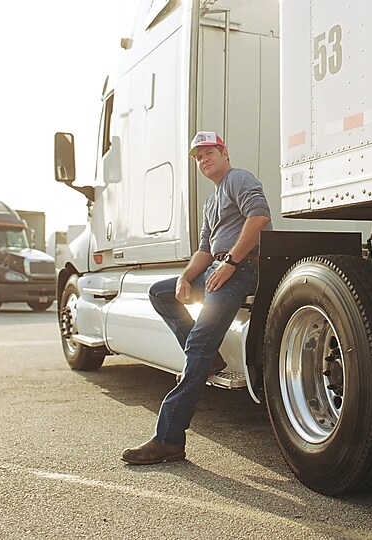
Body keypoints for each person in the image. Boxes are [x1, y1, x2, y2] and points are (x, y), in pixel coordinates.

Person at [121, 131, 272, 465]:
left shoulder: (239, 178)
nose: (204, 160)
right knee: (160, 293)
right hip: (218, 267)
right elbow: (205, 250)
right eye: (198, 157)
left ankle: (168, 439)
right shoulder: (211, 201)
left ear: (224, 152)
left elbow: (259, 219)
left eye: (209, 153)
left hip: (243, 267)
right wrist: (186, 277)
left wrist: (231, 262)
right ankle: (211, 359)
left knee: (197, 347)